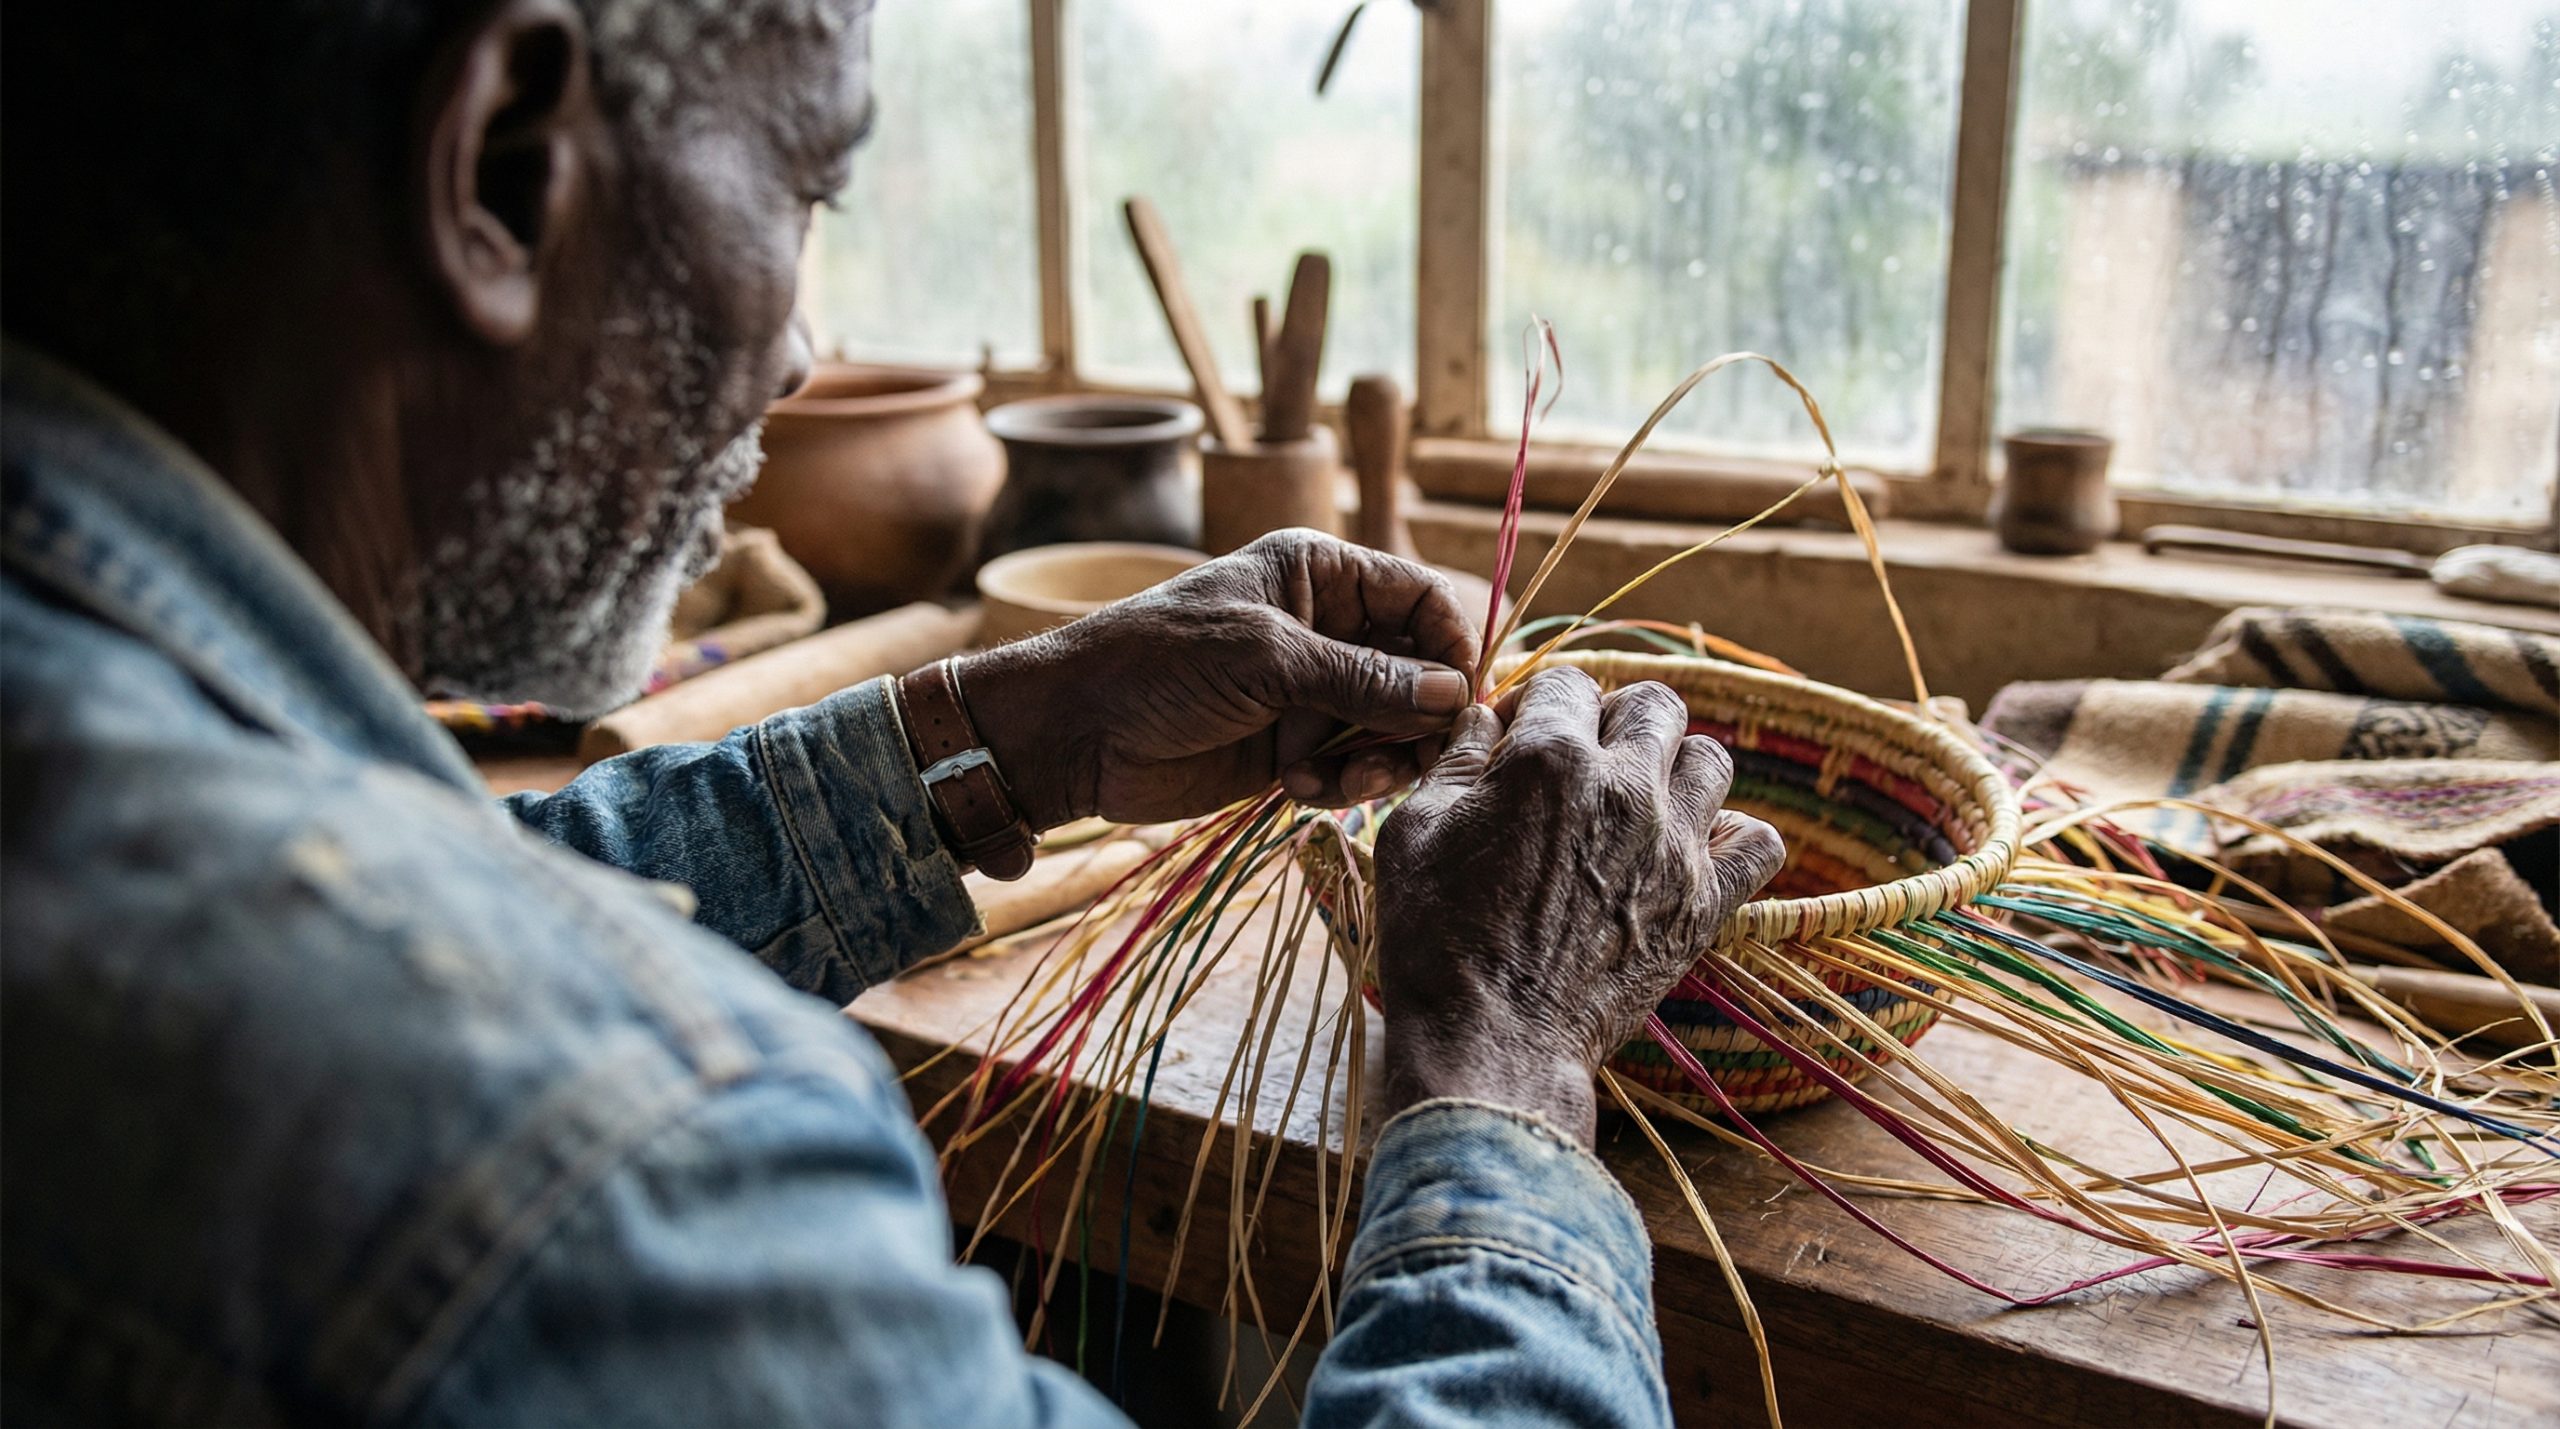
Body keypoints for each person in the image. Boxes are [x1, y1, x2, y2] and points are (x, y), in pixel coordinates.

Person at [0, 2, 1784, 1424]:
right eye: (807, 191)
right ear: (505, 165)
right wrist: (1505, 1052)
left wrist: (999, 735)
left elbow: (443, 890)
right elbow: (451, 1007)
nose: (798, 345)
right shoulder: (613, 1161)